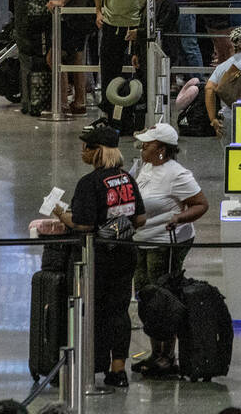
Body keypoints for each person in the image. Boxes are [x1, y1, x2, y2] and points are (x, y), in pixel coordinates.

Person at [53, 127, 145, 387]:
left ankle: (94, 365)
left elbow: (82, 224)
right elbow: (140, 218)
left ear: (98, 152)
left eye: (87, 147)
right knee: (119, 311)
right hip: (125, 253)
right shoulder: (127, 179)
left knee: (94, 311)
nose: (82, 152)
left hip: (97, 258)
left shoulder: (89, 183)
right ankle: (118, 370)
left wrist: (61, 214)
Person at [130, 122, 208, 377]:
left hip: (166, 244)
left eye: (148, 143)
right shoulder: (146, 167)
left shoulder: (178, 174)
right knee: (145, 296)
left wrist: (180, 219)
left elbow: (200, 204)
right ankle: (156, 352)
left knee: (164, 299)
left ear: (162, 149)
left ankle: (167, 355)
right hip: (141, 240)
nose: (143, 146)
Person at [92, 0, 150, 125]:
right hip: (111, 23)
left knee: (138, 72)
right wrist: (99, 12)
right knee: (109, 71)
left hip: (134, 24)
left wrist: (143, 23)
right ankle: (110, 115)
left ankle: (137, 116)